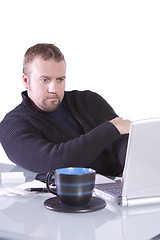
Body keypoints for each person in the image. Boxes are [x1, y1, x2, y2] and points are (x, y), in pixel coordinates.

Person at [0, 43, 131, 175]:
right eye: (45, 80)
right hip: (62, 194)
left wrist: (130, 165)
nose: (54, 89)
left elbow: (122, 142)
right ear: (25, 81)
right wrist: (112, 128)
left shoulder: (88, 101)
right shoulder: (12, 127)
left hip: (117, 187)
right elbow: (54, 162)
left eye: (60, 79)